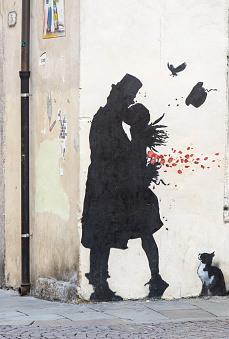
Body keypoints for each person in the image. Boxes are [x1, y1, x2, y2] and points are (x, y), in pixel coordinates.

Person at [81, 74, 169, 301]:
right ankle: (100, 286)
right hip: (104, 187)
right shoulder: (107, 118)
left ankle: (102, 285)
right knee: (101, 236)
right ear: (121, 96)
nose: (130, 103)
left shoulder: (109, 117)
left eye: (132, 100)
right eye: (129, 98)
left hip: (107, 187)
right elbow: (112, 155)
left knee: (103, 236)